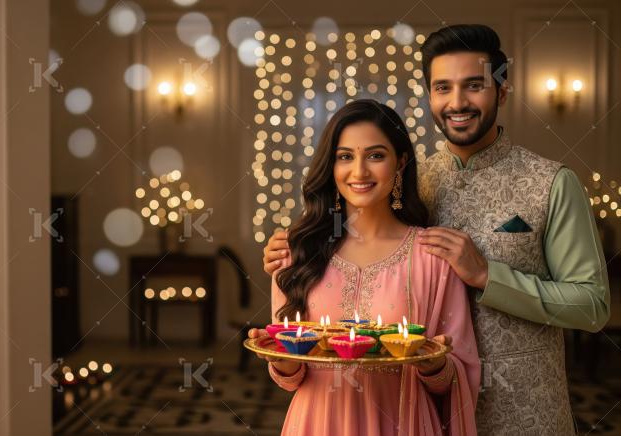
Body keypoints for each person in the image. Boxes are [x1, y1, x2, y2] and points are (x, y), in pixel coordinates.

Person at [261, 25, 611, 435]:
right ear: (429, 96)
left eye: (474, 85)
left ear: (501, 91)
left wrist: (488, 276)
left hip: (523, 411)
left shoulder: (550, 183)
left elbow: (593, 305)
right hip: (418, 411)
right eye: (443, 87)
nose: (457, 102)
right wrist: (296, 248)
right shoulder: (409, 180)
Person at [250, 99, 480, 435]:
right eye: (345, 157)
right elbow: (291, 379)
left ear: (400, 162)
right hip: (316, 424)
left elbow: (458, 374)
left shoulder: (432, 257)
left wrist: (435, 364)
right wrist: (280, 359)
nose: (359, 172)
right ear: (331, 165)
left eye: (375, 156)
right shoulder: (298, 254)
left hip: (404, 423)